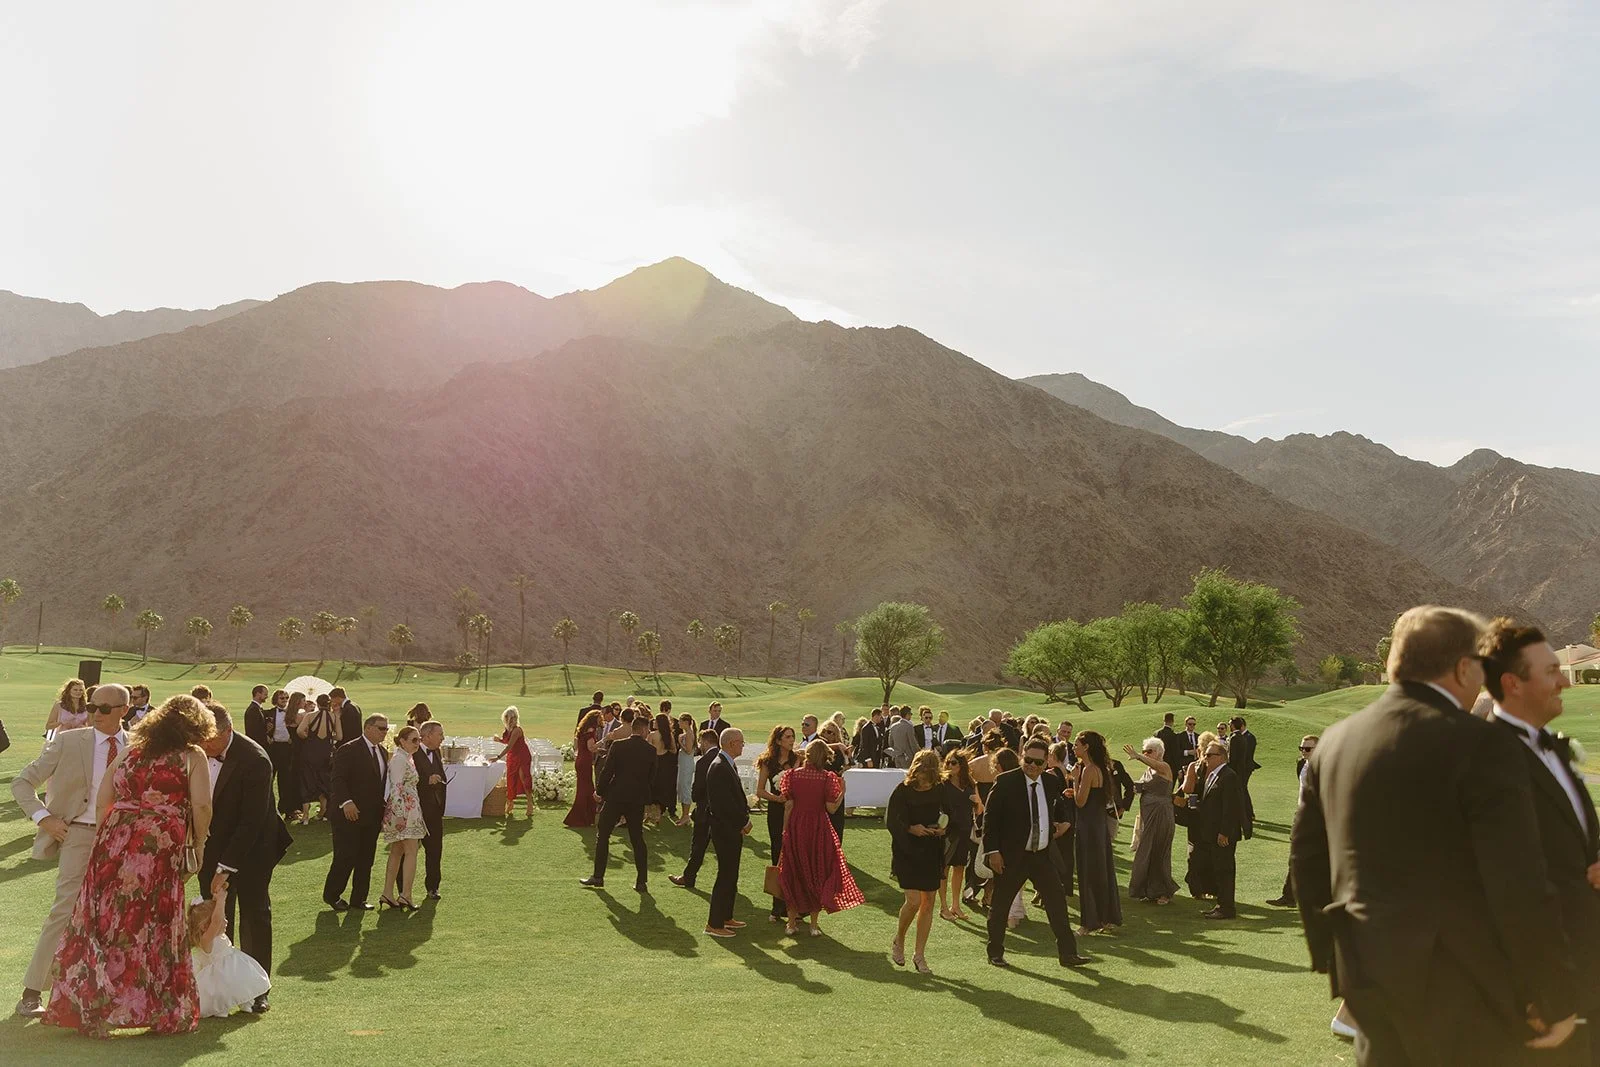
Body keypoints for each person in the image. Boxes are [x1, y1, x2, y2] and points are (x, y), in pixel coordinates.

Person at [1291, 605, 1579, 1063]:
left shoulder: (1335, 742)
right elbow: (1518, 883)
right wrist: (1554, 993)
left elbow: (1307, 860)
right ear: (1464, 668)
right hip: (1466, 992)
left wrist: (1337, 964)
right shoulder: (1482, 744)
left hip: (1371, 983)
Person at [41, 691, 215, 1036]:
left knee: (105, 924)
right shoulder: (191, 756)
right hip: (156, 848)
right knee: (150, 926)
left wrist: (115, 836)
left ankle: (97, 1011)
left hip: (114, 842)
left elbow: (105, 798)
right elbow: (202, 807)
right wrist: (198, 843)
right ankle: (155, 1008)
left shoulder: (132, 750)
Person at [1481, 619, 1600, 1060]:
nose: (1565, 681)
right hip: (1543, 997)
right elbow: (1507, 886)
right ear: (1513, 683)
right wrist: (1543, 989)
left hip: (1588, 974)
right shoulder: (1487, 761)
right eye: (1551, 671)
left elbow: (1576, 846)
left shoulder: (1553, 747)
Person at [13, 685, 138, 1019]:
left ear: (124, 710)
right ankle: (31, 992)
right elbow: (22, 783)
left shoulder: (139, 746)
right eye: (93, 706)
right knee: (64, 911)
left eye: (105, 708)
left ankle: (108, 994)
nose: (96, 713)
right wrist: (45, 819)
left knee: (118, 915)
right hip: (79, 834)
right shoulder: (69, 741)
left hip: (123, 840)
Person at [197, 702, 291, 1011]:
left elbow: (251, 822)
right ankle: (219, 990)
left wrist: (225, 867)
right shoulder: (196, 752)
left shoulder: (255, 760)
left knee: (254, 915)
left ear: (226, 731)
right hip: (210, 847)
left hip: (253, 849)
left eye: (207, 740)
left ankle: (257, 989)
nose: (202, 745)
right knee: (214, 918)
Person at [982, 738, 1088, 969]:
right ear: (1022, 756)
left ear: (1045, 762)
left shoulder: (1050, 782)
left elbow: (1058, 807)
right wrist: (993, 852)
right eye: (1028, 760)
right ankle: (995, 953)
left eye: (1037, 762)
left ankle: (1068, 954)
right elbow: (989, 820)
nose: (1032, 766)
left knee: (1057, 904)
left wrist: (1062, 823)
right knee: (1000, 906)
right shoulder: (1005, 782)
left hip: (1041, 855)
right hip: (1012, 857)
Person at [778, 740, 864, 936]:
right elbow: (831, 808)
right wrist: (843, 792)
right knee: (818, 871)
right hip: (818, 828)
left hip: (797, 826)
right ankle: (814, 925)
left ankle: (791, 923)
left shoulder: (792, 775)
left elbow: (788, 806)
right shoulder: (827, 778)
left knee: (794, 872)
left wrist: (785, 830)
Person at [887, 751, 949, 972]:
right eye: (921, 771)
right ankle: (899, 939)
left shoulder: (941, 789)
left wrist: (943, 829)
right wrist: (910, 828)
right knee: (913, 900)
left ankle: (920, 954)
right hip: (908, 850)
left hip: (931, 850)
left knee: (928, 902)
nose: (923, 776)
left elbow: (949, 814)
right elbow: (892, 819)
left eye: (927, 772)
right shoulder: (903, 790)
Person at [324, 714, 390, 911]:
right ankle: (332, 895)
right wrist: (346, 802)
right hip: (348, 814)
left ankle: (359, 898)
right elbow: (337, 778)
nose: (385, 732)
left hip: (372, 814)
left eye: (386, 729)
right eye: (381, 728)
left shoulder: (383, 752)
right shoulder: (349, 749)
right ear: (368, 728)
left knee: (366, 858)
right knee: (345, 856)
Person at [582, 716, 654, 891]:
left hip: (616, 797)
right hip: (636, 800)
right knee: (637, 839)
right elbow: (651, 779)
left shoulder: (619, 746)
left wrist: (600, 792)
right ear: (644, 730)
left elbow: (608, 772)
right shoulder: (651, 751)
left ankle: (598, 876)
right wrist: (647, 802)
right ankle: (641, 881)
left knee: (603, 835)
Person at [189, 882, 271, 1018]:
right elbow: (215, 921)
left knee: (241, 981)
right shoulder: (207, 939)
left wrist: (217, 899)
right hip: (219, 977)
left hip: (232, 968)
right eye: (223, 919)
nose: (225, 921)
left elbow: (216, 917)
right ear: (205, 926)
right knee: (223, 991)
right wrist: (221, 900)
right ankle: (220, 1008)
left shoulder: (216, 934)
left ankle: (245, 1001)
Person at [1071, 730, 1123, 933]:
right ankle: (1106, 918)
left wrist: (1074, 780)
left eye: (1077, 744)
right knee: (1102, 871)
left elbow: (1080, 801)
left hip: (1088, 826)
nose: (1074, 747)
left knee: (1087, 872)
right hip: (1098, 825)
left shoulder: (1089, 770)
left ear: (1086, 747)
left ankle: (1089, 922)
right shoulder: (1102, 768)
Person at [1187, 742, 1244, 920]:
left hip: (1222, 834)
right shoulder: (1211, 775)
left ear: (1221, 757)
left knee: (1225, 870)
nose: (1205, 758)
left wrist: (1224, 832)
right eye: (1206, 754)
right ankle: (1222, 905)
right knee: (1218, 869)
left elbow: (1231, 807)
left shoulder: (1229, 776)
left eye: (1209, 755)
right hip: (1210, 833)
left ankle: (1227, 908)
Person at [704, 728, 751, 937]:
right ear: (731, 743)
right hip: (725, 829)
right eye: (741, 742)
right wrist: (744, 821)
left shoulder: (726, 765)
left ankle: (726, 916)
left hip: (730, 828)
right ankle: (714, 923)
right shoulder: (720, 767)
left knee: (731, 874)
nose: (743, 745)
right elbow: (725, 805)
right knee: (725, 875)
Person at [1267, 735, 1319, 908]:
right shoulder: (1302, 764)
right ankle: (1289, 896)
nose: (1304, 752)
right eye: (1301, 748)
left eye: (1308, 749)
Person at [1124, 739, 1178, 905]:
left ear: (1158, 753)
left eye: (1149, 751)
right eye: (1145, 751)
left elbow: (1158, 769)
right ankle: (1148, 890)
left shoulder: (1164, 767)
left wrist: (1138, 756)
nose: (1146, 754)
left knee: (1159, 851)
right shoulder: (1148, 770)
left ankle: (1164, 891)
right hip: (1148, 815)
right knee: (1146, 851)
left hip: (1161, 814)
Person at [380, 725, 427, 909]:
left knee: (397, 851)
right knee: (410, 851)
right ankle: (405, 894)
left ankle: (388, 893)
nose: (418, 743)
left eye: (419, 740)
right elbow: (396, 787)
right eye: (414, 740)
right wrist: (399, 815)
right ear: (403, 741)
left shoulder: (406, 758)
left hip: (408, 810)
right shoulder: (400, 759)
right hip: (404, 812)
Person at [756, 726, 800, 921]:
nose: (791, 740)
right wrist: (777, 799)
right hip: (776, 812)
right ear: (779, 740)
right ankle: (777, 906)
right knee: (777, 855)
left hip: (794, 811)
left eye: (793, 737)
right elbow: (759, 790)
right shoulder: (767, 761)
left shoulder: (797, 759)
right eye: (788, 737)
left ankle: (794, 906)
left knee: (793, 857)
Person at [670, 730, 721, 889]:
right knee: (721, 849)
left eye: (700, 742)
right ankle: (724, 880)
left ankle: (689, 877)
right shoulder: (724, 757)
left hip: (705, 810)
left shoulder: (703, 761)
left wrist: (694, 799)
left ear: (705, 742)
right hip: (721, 811)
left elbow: (698, 789)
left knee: (698, 846)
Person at [939, 749, 981, 920]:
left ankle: (955, 905)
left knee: (959, 868)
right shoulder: (942, 783)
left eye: (954, 762)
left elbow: (979, 810)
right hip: (947, 831)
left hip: (964, 829)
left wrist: (977, 802)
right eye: (948, 762)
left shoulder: (970, 784)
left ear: (961, 765)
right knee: (944, 868)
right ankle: (943, 907)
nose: (949, 765)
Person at [414, 721, 447, 900]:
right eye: (439, 734)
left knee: (435, 850)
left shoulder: (436, 752)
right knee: (409, 851)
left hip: (434, 811)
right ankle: (403, 889)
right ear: (426, 736)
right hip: (416, 810)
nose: (442, 738)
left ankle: (433, 886)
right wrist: (426, 780)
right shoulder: (413, 752)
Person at [294, 692, 337, 823]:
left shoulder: (310, 716)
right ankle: (323, 812)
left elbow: (299, 731)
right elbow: (340, 736)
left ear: (317, 703)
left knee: (307, 781)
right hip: (325, 752)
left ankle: (305, 816)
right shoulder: (334, 717)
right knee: (323, 782)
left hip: (310, 751)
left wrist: (309, 737)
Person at [491, 706, 533, 819]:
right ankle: (510, 803)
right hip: (512, 756)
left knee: (524, 778)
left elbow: (510, 746)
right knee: (510, 779)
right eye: (508, 717)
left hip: (522, 756)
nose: (511, 720)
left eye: (513, 717)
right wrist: (499, 739)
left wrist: (498, 757)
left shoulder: (517, 730)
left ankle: (530, 803)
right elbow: (506, 742)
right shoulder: (507, 730)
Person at [566, 709, 603, 828]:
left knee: (586, 788)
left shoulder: (582, 730)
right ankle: (580, 817)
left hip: (580, 760)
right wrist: (603, 741)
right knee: (585, 789)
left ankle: (586, 816)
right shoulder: (591, 731)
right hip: (585, 761)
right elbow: (591, 747)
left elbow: (580, 747)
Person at [1227, 715, 1258, 839]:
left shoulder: (1235, 738)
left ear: (1233, 725)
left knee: (1239, 795)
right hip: (1240, 771)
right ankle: (1246, 820)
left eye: (1230, 724)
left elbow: (1233, 758)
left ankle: (1245, 820)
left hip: (1235, 772)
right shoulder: (1242, 737)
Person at [648, 709, 678, 825]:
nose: (653, 722)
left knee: (653, 787)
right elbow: (674, 750)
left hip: (655, 762)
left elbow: (648, 750)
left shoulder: (652, 735)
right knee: (663, 787)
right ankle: (660, 810)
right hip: (665, 763)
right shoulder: (669, 735)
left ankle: (653, 812)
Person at [673, 713, 697, 826]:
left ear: (686, 722)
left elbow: (688, 750)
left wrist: (679, 742)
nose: (678, 723)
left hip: (687, 763)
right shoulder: (685, 734)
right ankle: (683, 815)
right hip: (683, 763)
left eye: (680, 721)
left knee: (685, 787)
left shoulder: (689, 734)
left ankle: (686, 815)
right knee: (681, 787)